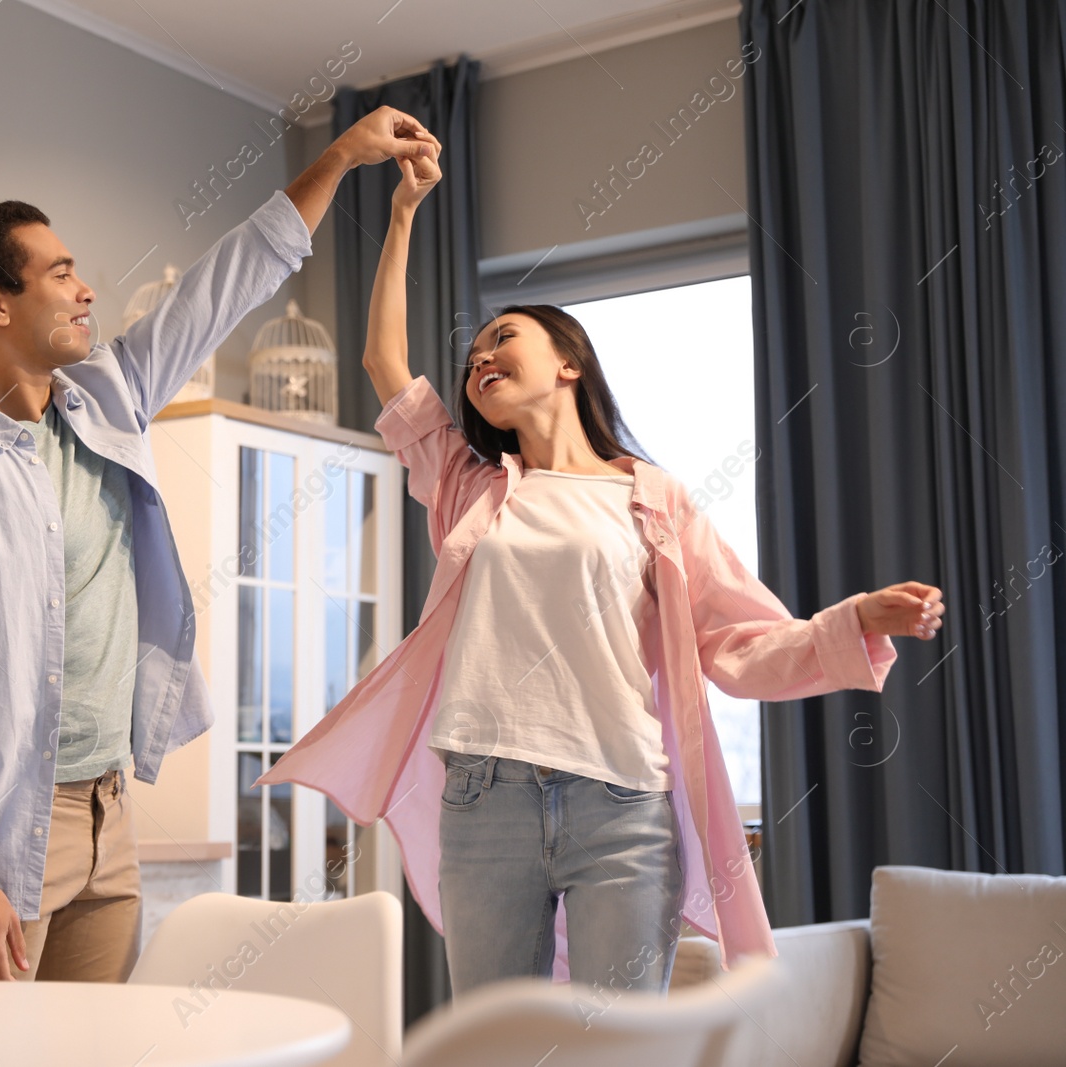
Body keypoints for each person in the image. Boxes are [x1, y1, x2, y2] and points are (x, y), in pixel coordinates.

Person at [258, 147, 946, 998]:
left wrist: (856, 619)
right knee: (497, 1051)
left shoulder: (653, 499)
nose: (479, 360)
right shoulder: (468, 490)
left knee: (624, 1049)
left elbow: (738, 641)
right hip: (483, 799)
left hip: (621, 805)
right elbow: (383, 366)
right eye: (472, 356)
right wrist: (400, 214)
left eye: (502, 338)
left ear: (569, 363)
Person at [0, 108, 443, 983]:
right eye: (60, 273)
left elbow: (226, 284)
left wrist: (341, 159)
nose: (85, 288)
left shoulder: (107, 398)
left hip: (108, 817)